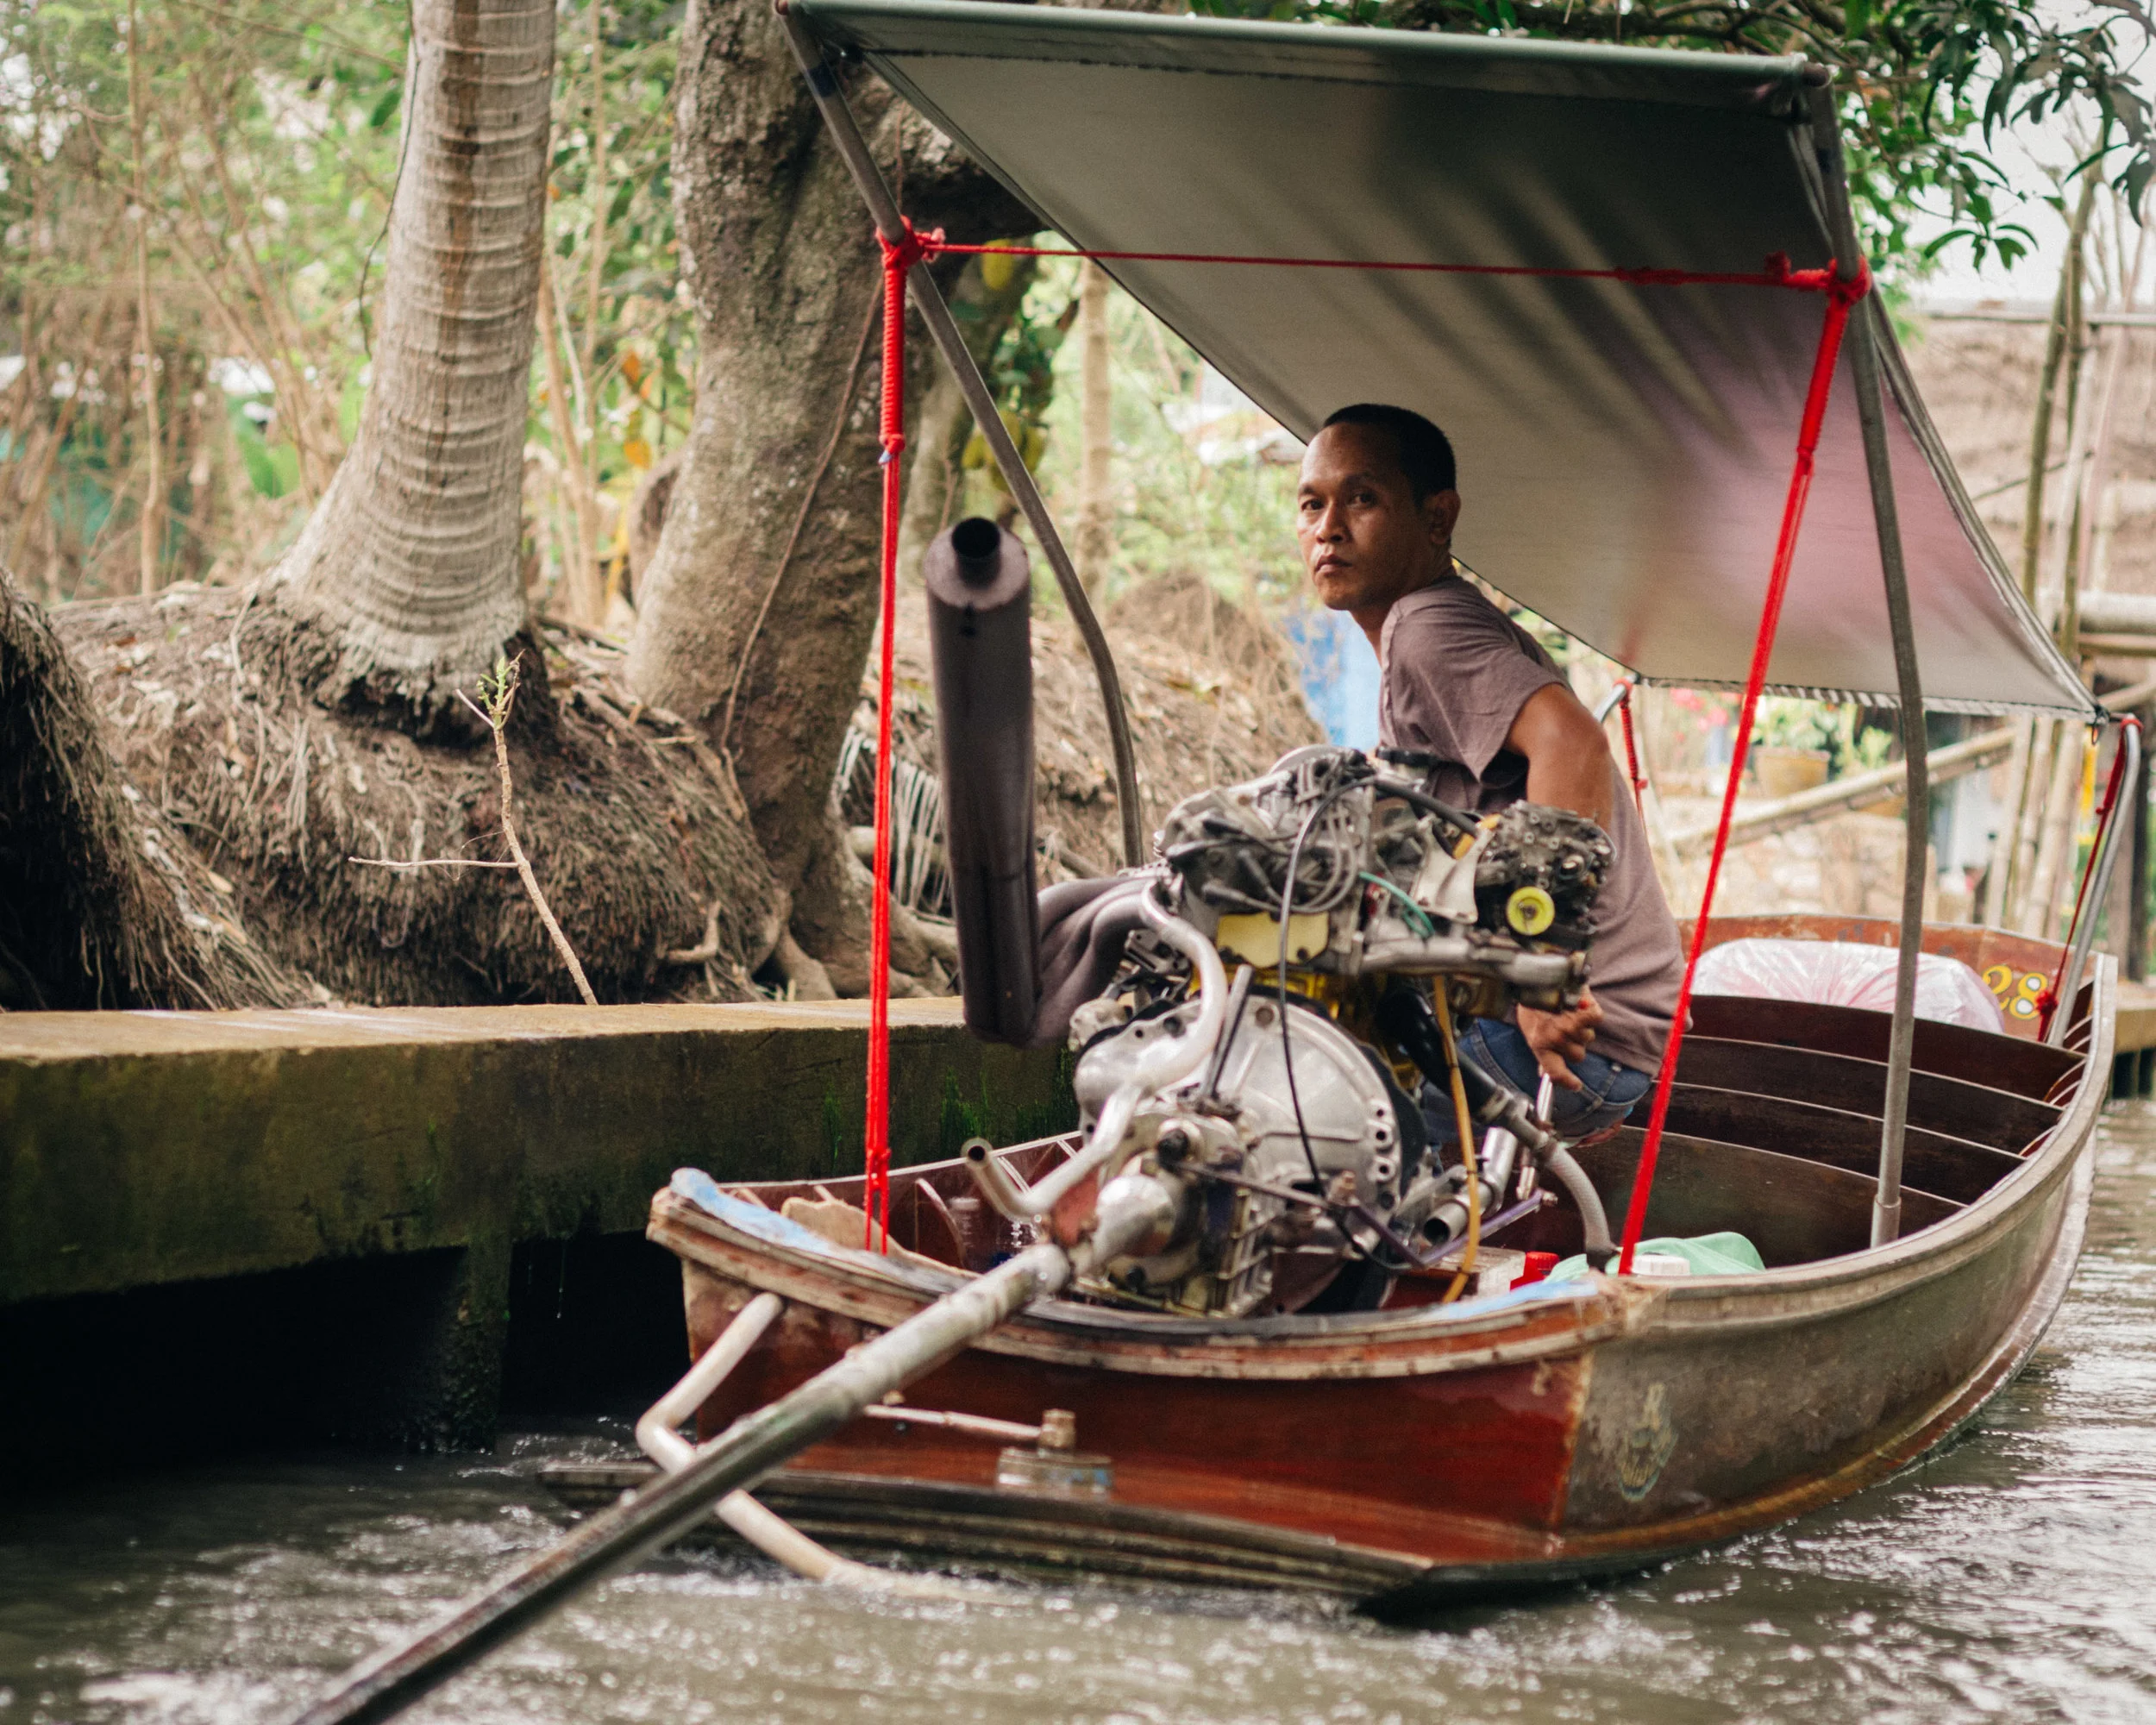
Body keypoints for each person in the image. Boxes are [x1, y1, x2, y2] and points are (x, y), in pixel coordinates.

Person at [1297, 402, 1683, 1138]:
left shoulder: (1425, 631)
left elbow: (1576, 747)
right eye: (1312, 504)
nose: (1329, 528)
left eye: (1364, 499)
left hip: (1568, 1042)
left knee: (1282, 1112)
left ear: (1437, 518)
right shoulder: (1434, 627)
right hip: (1609, 1042)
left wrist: (1546, 973)